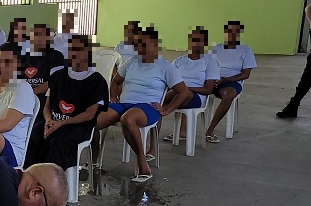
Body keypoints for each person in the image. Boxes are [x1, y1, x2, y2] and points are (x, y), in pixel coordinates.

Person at [95, 27, 189, 183]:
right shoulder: (131, 62)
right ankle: (94, 160)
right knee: (93, 118)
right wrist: (113, 96)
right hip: (124, 104)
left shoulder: (165, 66)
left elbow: (183, 92)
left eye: (144, 44)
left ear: (154, 45)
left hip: (146, 107)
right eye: (138, 44)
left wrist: (166, 110)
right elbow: (116, 80)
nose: (140, 48)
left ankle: (142, 162)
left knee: (128, 119)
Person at [25, 35, 107, 170]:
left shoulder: (96, 81)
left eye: (79, 50)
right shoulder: (57, 76)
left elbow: (89, 114)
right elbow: (47, 106)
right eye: (72, 50)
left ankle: (52, 182)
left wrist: (61, 123)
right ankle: (31, 177)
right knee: (33, 136)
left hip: (77, 127)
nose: (75, 54)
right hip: (53, 123)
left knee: (57, 143)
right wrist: (48, 120)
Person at [162, 27, 220, 142]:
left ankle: (164, 109)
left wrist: (185, 88)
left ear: (204, 43)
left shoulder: (209, 62)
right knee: (164, 94)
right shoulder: (179, 60)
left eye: (198, 41)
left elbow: (208, 89)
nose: (194, 43)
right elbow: (168, 80)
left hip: (197, 97)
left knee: (182, 92)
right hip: (176, 93)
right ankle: (153, 115)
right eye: (192, 40)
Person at [205, 21, 256, 143]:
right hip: (213, 79)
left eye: (235, 31)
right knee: (188, 89)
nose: (231, 34)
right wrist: (212, 78)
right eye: (229, 31)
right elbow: (204, 66)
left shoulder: (245, 50)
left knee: (229, 94)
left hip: (231, 81)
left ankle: (210, 129)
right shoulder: (216, 48)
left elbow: (246, 74)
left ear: (238, 34)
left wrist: (226, 80)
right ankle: (183, 131)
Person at [21, 24, 64, 121]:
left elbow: (55, 81)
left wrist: (32, 93)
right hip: (23, 100)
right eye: (35, 35)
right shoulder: (23, 57)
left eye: (42, 35)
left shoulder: (56, 56)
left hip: (44, 101)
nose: (38, 38)